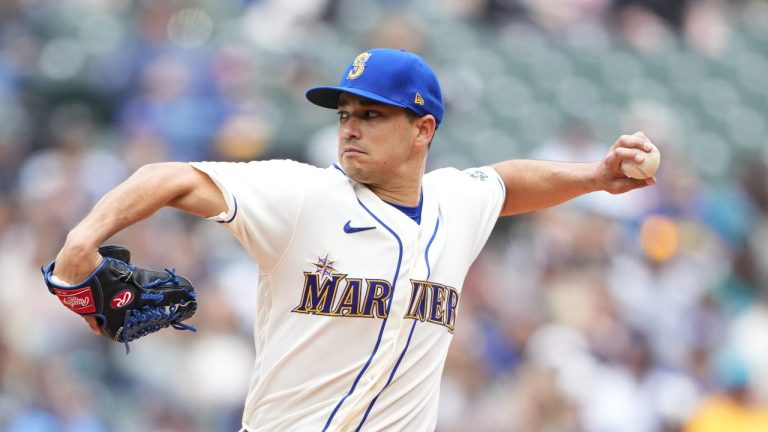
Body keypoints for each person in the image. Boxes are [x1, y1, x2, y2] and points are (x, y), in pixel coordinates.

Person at [50, 48, 656, 431]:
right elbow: (169, 177)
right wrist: (82, 243)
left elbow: (506, 181)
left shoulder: (455, 202)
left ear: (423, 129)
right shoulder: (302, 196)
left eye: (372, 115)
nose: (350, 129)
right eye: (344, 114)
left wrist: (596, 178)